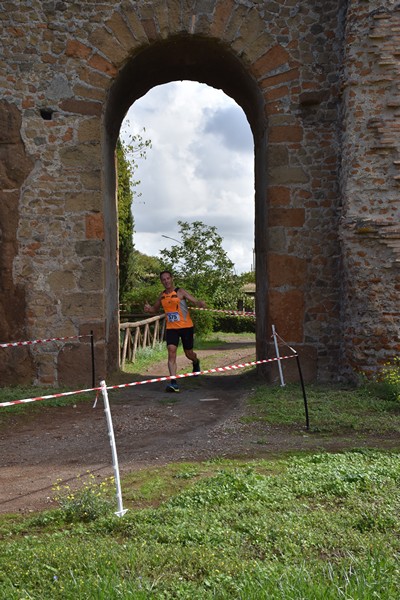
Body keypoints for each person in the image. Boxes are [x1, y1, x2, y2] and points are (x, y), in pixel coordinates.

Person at [144, 271, 206, 393]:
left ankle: (195, 361)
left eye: (168, 278)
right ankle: (174, 383)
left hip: (186, 327)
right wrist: (148, 309)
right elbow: (154, 309)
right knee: (171, 351)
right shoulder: (162, 296)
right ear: (161, 281)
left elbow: (194, 301)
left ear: (172, 279)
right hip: (172, 328)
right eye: (163, 279)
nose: (166, 281)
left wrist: (200, 303)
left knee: (189, 353)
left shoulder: (180, 292)